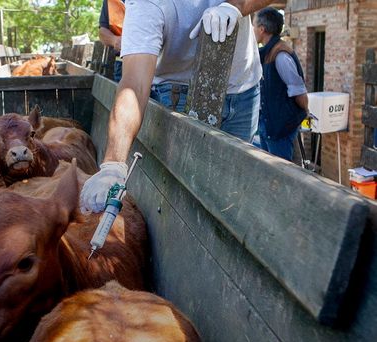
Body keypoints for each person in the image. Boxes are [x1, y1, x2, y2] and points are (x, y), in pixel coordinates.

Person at [80, 0, 275, 213]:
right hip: (179, 92)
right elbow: (134, 86)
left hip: (244, 87)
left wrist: (235, 6)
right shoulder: (146, 5)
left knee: (237, 188)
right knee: (191, 193)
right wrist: (113, 164)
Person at [254, 7, 309, 161]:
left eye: (254, 26)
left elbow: (299, 92)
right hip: (268, 126)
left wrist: (304, 112)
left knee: (282, 174)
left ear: (262, 29)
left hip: (280, 128)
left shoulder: (281, 55)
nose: (253, 30)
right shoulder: (266, 52)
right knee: (269, 172)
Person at [99, 0, 125, 82]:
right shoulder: (109, 1)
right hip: (122, 64)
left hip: (156, 64)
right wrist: (115, 40)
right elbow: (102, 32)